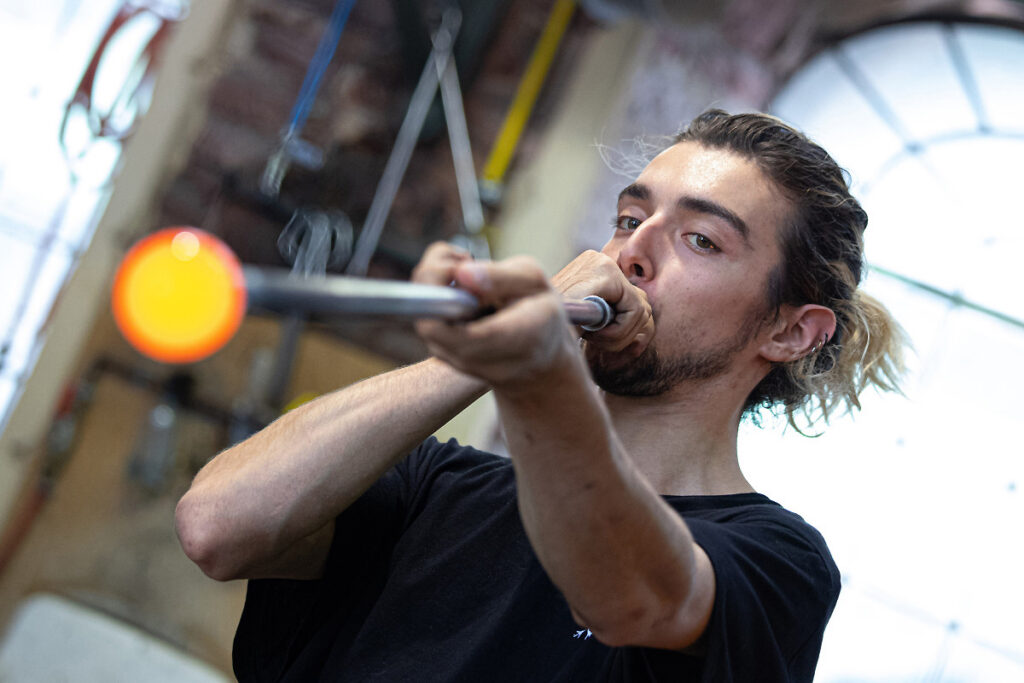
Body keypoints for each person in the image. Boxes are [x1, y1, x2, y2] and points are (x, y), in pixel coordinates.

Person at [175, 109, 904, 682]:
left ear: (789, 331)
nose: (630, 253)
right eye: (629, 218)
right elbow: (216, 525)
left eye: (702, 240)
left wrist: (534, 369)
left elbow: (629, 596)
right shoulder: (439, 486)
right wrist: (470, 359)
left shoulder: (778, 562)